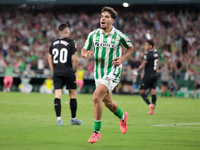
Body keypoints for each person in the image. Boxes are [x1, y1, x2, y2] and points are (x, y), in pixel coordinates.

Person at [81, 6, 134, 143]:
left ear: (113, 20)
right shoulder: (93, 34)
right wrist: (85, 53)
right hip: (99, 73)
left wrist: (122, 59)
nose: (102, 18)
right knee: (108, 103)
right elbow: (83, 49)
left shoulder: (119, 36)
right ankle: (123, 117)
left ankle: (96, 132)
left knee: (95, 97)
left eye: (106, 16)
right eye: (101, 16)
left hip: (113, 71)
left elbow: (130, 47)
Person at [48, 23, 82, 126]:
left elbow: (49, 57)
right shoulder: (71, 42)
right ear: (67, 31)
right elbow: (75, 59)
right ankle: (73, 119)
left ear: (59, 32)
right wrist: (75, 71)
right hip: (68, 72)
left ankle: (59, 119)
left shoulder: (53, 43)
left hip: (57, 72)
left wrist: (53, 69)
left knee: (57, 95)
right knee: (72, 95)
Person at [134, 40, 158, 114]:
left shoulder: (148, 54)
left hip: (148, 74)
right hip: (155, 74)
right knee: (153, 91)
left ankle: (150, 105)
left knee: (141, 91)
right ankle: (152, 110)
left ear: (150, 46)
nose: (145, 46)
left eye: (146, 45)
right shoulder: (156, 53)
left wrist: (136, 73)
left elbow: (142, 65)